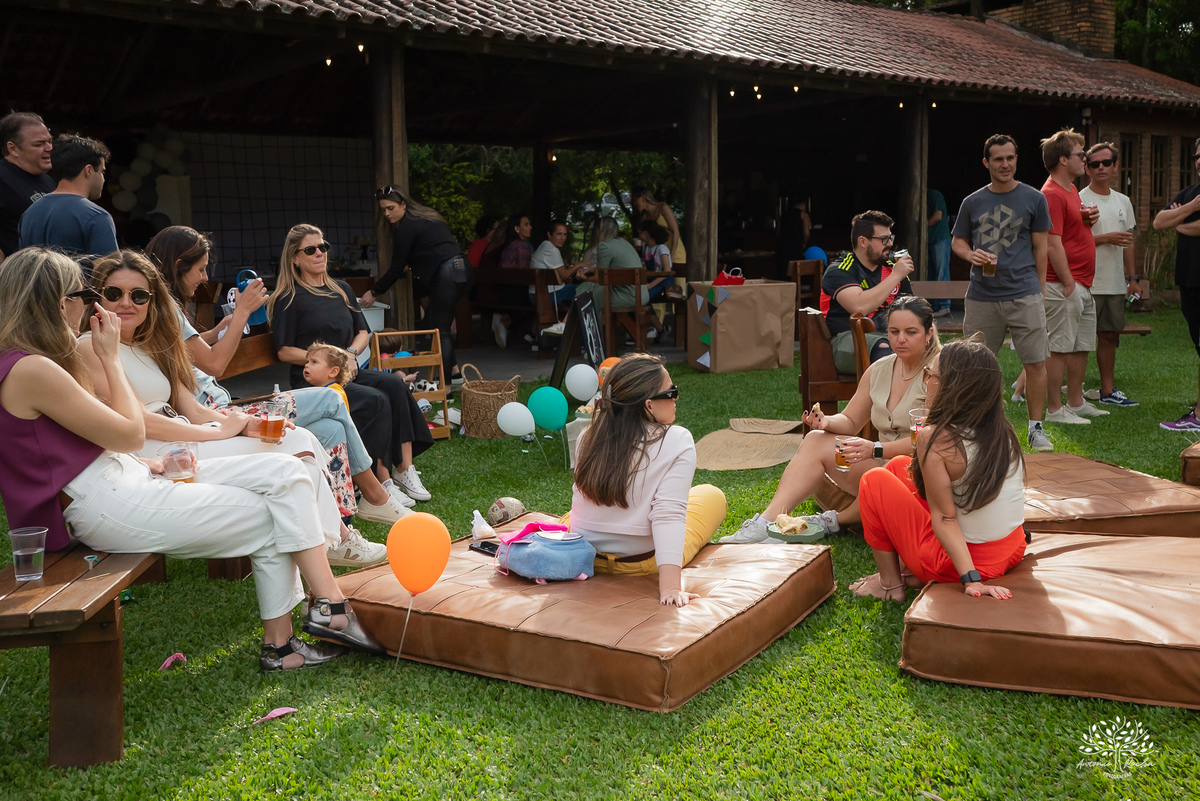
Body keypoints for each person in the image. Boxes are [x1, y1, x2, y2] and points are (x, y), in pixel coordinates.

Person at [0, 247, 383, 671]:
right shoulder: (33, 368)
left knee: (287, 472)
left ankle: (312, 618)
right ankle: (305, 628)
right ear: (59, 302)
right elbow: (129, 431)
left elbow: (70, 443)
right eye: (84, 293)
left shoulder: (34, 363)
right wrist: (110, 358)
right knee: (278, 510)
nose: (90, 303)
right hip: (105, 501)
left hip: (124, 477)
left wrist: (149, 462)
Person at [79, 250, 392, 568]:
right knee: (298, 442)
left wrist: (242, 424)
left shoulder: (153, 345)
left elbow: (195, 409)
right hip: (157, 449)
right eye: (114, 293)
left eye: (139, 295)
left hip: (188, 433)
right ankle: (335, 541)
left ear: (152, 300)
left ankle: (336, 539)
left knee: (301, 440)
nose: (126, 303)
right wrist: (216, 431)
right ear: (97, 297)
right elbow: (140, 422)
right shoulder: (93, 346)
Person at [144, 225, 413, 534]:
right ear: (179, 266)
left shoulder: (162, 308)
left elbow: (187, 351)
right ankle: (374, 495)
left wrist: (218, 330)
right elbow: (215, 365)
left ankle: (340, 528)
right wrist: (242, 312)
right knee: (330, 398)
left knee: (330, 427)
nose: (205, 277)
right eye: (201, 269)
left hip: (223, 411)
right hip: (222, 417)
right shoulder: (164, 309)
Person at [723, 296, 940, 543]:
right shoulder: (880, 369)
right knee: (816, 439)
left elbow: (930, 440)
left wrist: (876, 449)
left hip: (919, 472)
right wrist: (826, 422)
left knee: (891, 469)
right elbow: (850, 420)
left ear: (928, 333)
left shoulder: (938, 372)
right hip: (878, 462)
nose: (900, 339)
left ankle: (834, 520)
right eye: (894, 331)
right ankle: (765, 523)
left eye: (911, 332)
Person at [269, 223, 435, 502]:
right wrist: (330, 357)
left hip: (345, 371)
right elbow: (284, 351)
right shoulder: (289, 297)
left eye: (323, 247)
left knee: (394, 385)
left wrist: (349, 354)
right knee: (376, 400)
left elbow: (363, 332)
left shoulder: (342, 289)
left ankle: (404, 469)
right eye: (310, 250)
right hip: (314, 380)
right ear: (295, 258)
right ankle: (378, 477)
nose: (319, 253)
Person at [851, 339, 1026, 603]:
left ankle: (889, 584)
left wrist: (971, 579)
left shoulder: (936, 438)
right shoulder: (1002, 430)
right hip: (1012, 549)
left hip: (963, 564)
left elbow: (945, 519)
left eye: (929, 375)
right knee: (900, 467)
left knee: (872, 480)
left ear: (951, 387)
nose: (924, 382)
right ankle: (908, 571)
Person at [564, 353, 726, 607]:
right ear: (648, 405)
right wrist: (671, 588)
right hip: (640, 562)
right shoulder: (677, 440)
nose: (676, 397)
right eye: (671, 391)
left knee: (572, 512)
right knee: (711, 495)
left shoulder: (588, 436)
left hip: (586, 556)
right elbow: (668, 514)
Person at [951, 134, 1054, 452]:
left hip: (1024, 293)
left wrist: (1038, 289)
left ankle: (1036, 429)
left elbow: (1041, 247)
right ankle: (976, 426)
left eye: (1010, 157)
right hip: (982, 295)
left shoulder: (1034, 198)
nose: (1005, 164)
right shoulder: (973, 202)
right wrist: (971, 256)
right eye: (998, 159)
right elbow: (958, 241)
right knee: (976, 364)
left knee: (1035, 363)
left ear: (1016, 159)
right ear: (987, 162)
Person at [363, 186, 469, 386]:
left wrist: (375, 292)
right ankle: (454, 372)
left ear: (403, 205)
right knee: (438, 324)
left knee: (440, 331)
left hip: (447, 273)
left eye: (391, 208)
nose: (386, 213)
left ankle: (445, 390)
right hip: (460, 270)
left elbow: (395, 268)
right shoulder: (426, 220)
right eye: (384, 209)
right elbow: (431, 253)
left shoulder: (406, 228)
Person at [1040, 128, 1104, 425]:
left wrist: (1084, 218)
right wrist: (1067, 282)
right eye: (1081, 155)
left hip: (1082, 283)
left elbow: (1067, 229)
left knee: (1080, 345)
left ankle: (1076, 403)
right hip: (1064, 284)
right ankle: (1054, 409)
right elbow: (1051, 243)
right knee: (1059, 347)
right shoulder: (1051, 193)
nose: (1086, 160)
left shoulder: (1071, 191)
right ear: (1063, 160)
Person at [1080, 142, 1139, 408]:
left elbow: (1129, 242)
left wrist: (1133, 278)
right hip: (1086, 282)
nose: (1101, 167)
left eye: (1106, 163)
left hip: (1114, 283)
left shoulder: (1123, 201)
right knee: (1077, 340)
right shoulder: (1079, 198)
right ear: (1087, 168)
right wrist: (1105, 238)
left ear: (1115, 166)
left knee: (1109, 337)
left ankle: (1107, 390)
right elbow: (1071, 243)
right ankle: (1071, 395)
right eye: (1095, 164)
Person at [821, 210, 914, 375]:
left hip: (888, 335)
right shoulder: (841, 269)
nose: (890, 244)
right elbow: (859, 307)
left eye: (890, 238)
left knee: (930, 351)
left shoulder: (892, 268)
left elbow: (911, 309)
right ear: (863, 242)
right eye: (883, 239)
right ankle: (885, 400)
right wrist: (896, 276)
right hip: (846, 339)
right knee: (884, 348)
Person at [1153, 136, 1200, 432]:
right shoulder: (1191, 193)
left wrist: (1180, 221)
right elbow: (1159, 221)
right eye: (1197, 155)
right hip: (1189, 281)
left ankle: (1198, 416)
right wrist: (1193, 205)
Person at [18, 133, 118, 261]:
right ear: (89, 170)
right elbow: (109, 274)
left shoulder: (29, 213)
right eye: (102, 171)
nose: (103, 179)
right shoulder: (96, 216)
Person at [0, 112, 54, 262]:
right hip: (15, 278)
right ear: (13, 149)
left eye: (50, 141)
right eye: (39, 144)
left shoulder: (49, 181)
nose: (49, 147)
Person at [574, 216, 648, 313]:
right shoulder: (624, 243)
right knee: (590, 288)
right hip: (643, 295)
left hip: (628, 296)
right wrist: (588, 271)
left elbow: (600, 278)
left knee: (588, 289)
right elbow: (602, 270)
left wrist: (585, 278)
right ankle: (569, 323)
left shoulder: (605, 246)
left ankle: (577, 325)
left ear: (599, 231)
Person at [530, 220, 585, 307]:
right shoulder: (551, 250)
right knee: (586, 289)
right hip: (547, 295)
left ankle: (568, 319)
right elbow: (564, 275)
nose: (563, 238)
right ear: (549, 234)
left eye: (565, 234)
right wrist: (578, 265)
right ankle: (570, 319)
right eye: (559, 234)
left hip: (536, 294)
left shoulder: (544, 246)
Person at [631, 187, 685, 265]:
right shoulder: (645, 217)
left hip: (675, 250)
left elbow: (675, 231)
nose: (634, 204)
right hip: (659, 254)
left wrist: (672, 254)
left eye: (635, 200)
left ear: (643, 197)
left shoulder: (663, 208)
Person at [303, 341, 353, 410]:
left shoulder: (334, 393)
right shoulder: (322, 390)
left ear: (333, 372)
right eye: (308, 361)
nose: (306, 365)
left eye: (314, 362)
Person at [926, 189, 952, 316]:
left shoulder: (935, 195)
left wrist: (922, 226)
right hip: (929, 240)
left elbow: (938, 215)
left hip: (940, 238)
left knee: (942, 272)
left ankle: (944, 305)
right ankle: (935, 306)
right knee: (931, 273)